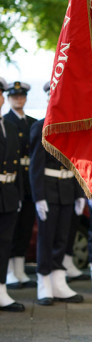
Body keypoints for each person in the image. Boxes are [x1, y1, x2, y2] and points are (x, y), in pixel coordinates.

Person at [29, 102, 85, 305]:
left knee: (63, 237)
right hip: (49, 189)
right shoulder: (41, 126)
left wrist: (80, 193)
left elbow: (76, 162)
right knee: (46, 238)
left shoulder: (71, 126)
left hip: (68, 188)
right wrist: (39, 197)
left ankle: (58, 280)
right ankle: (43, 282)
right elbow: (35, 166)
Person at [4, 81, 37, 289]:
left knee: (25, 227)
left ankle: (19, 269)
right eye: (14, 96)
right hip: (13, 181)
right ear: (8, 98)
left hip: (29, 182)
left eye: (21, 96)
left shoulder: (32, 122)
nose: (18, 99)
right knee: (11, 230)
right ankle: (8, 272)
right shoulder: (5, 121)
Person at [0, 76, 25, 312]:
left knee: (5, 243)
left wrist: (18, 195)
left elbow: (15, 165)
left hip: (8, 192)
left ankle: (1, 290)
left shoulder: (9, 126)